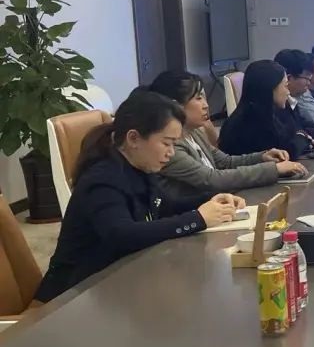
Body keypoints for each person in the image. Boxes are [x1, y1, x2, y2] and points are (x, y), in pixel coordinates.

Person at [34, 91, 244, 303]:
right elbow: (123, 234)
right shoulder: (102, 179)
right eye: (166, 143)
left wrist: (212, 199)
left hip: (117, 283)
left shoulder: (140, 167)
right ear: (133, 138)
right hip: (74, 297)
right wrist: (198, 219)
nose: (171, 152)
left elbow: (166, 206)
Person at [146, 71, 306, 203]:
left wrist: (263, 157)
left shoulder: (193, 132)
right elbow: (212, 179)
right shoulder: (171, 147)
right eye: (198, 98)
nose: (206, 105)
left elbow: (224, 162)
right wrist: (274, 169)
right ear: (176, 106)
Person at [219, 60, 314, 159]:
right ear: (270, 88)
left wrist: (303, 139)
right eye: (285, 86)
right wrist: (302, 137)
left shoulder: (265, 112)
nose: (288, 92)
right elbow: (286, 153)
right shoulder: (250, 121)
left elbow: (291, 136)